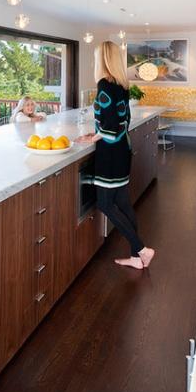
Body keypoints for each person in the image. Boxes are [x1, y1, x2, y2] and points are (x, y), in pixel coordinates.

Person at [76, 41, 155, 269]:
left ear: (102, 59)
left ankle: (141, 249)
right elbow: (122, 121)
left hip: (110, 154)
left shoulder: (104, 85)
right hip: (122, 150)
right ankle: (136, 258)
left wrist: (95, 137)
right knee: (122, 202)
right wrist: (96, 133)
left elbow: (110, 126)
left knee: (105, 204)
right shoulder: (122, 84)